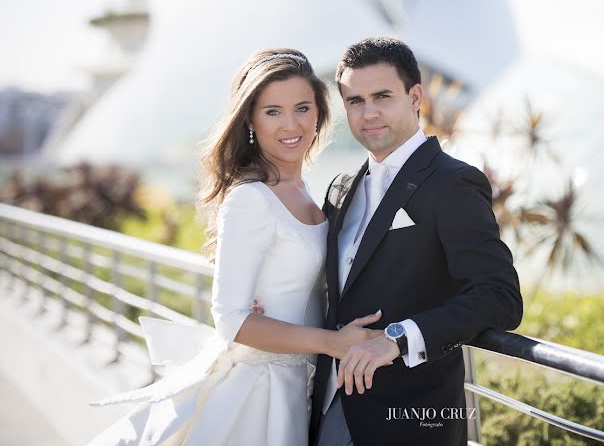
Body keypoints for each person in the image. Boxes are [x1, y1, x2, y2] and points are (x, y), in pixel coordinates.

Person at [88, 48, 382, 446]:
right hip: (258, 392)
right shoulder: (250, 198)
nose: (290, 124)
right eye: (272, 111)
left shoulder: (303, 190)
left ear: (319, 114)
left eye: (302, 107)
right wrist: (331, 343)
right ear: (250, 120)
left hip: (300, 382)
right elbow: (232, 320)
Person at [310, 37, 523, 446]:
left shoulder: (454, 183)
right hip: (326, 404)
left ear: (415, 97)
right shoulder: (340, 188)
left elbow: (500, 296)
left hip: (408, 418)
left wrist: (398, 338)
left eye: (382, 97)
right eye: (355, 101)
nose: (368, 113)